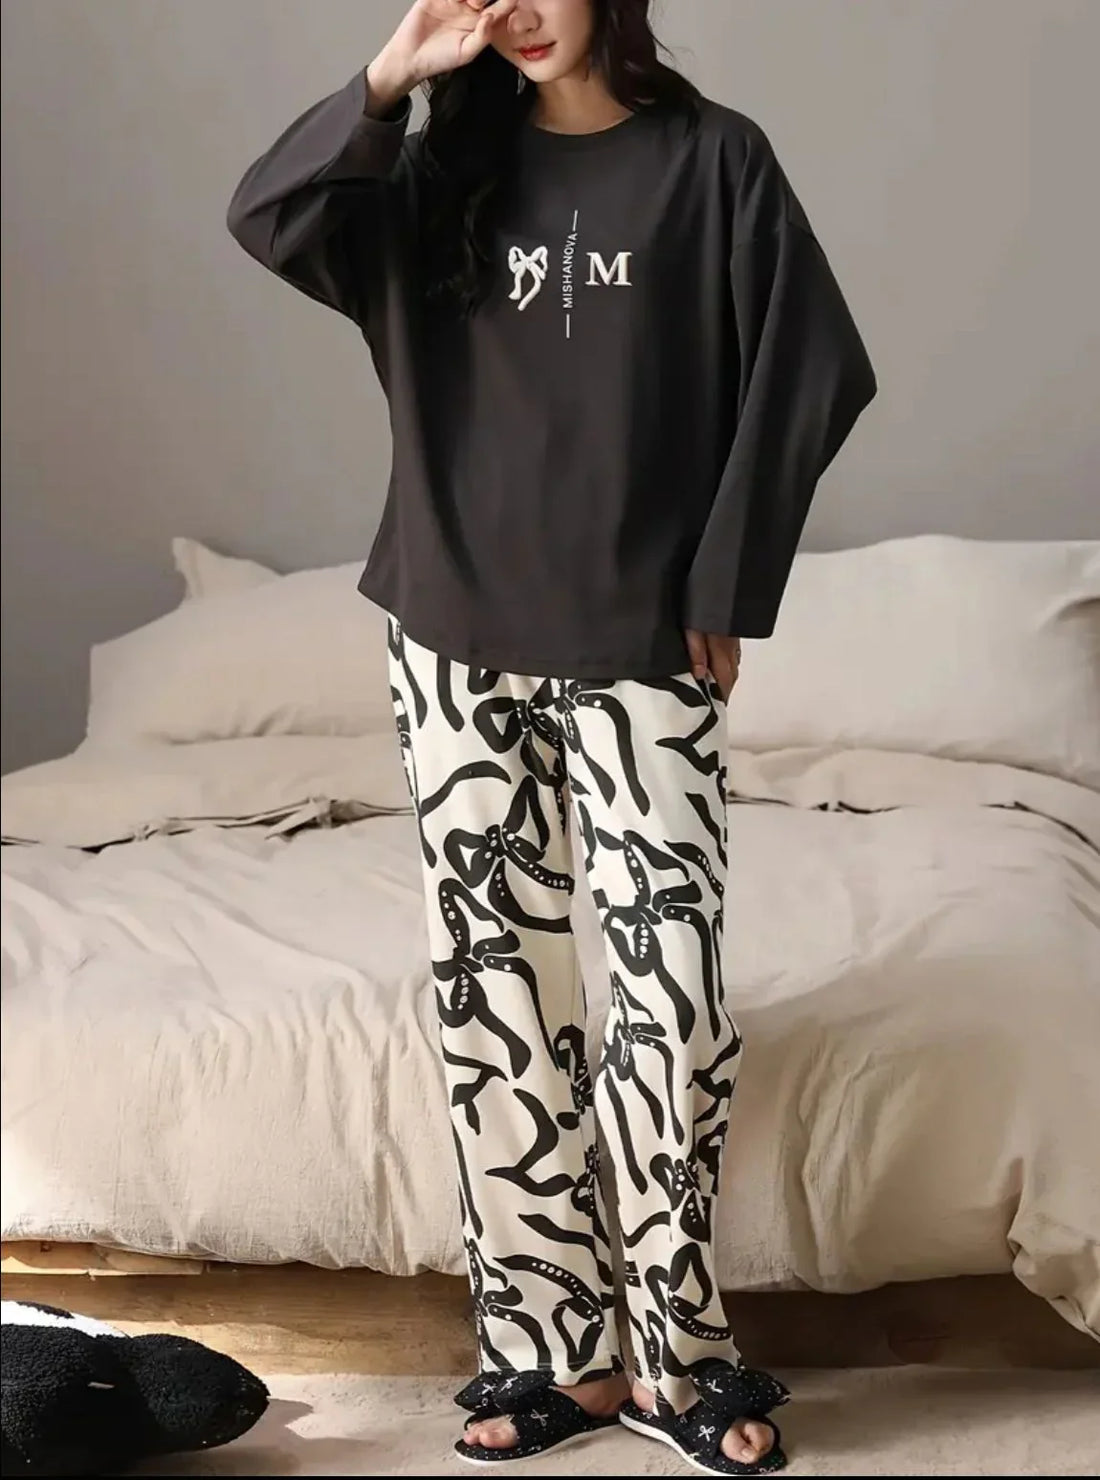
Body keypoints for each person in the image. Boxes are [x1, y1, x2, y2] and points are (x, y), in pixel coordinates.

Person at [227, 0, 876, 1471]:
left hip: (642, 639)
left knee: (668, 1000)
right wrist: (391, 76)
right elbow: (269, 213)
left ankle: (676, 1356)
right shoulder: (431, 171)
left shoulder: (712, 161)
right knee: (498, 991)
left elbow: (812, 366)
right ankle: (550, 1354)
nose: (514, 8)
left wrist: (725, 582)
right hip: (450, 632)